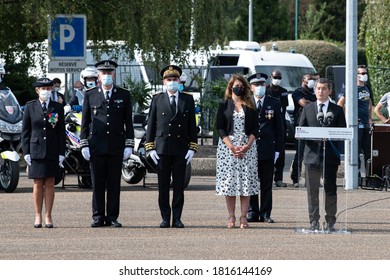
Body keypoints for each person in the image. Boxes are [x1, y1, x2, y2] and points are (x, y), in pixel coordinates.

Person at [80, 60, 134, 228]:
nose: (107, 76)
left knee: (113, 184)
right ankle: (98, 216)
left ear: (114, 75)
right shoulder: (91, 94)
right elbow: (85, 122)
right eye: (104, 73)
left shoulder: (124, 94)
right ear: (99, 75)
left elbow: (128, 123)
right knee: (97, 183)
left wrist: (129, 144)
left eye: (109, 73)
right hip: (96, 145)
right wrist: (84, 144)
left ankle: (112, 216)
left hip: (116, 145)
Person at [145, 65, 198, 228]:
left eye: (175, 79)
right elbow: (151, 125)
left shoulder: (187, 99)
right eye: (169, 80)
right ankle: (165, 218)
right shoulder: (157, 99)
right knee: (162, 186)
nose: (172, 82)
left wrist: (192, 147)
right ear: (164, 82)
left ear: (179, 81)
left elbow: (191, 125)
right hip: (162, 148)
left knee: (179, 186)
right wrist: (150, 147)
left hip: (181, 148)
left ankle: (177, 218)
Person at [299, 78, 346, 231]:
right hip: (312, 156)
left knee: (330, 189)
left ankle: (331, 220)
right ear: (315, 90)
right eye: (318, 88)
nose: (321, 91)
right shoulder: (308, 109)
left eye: (324, 88)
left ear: (330, 91)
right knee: (312, 191)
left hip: (330, 156)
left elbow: (342, 132)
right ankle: (313, 221)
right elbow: (301, 130)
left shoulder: (337, 110)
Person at [215, 74, 259, 229]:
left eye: (241, 85)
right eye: (236, 85)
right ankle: (232, 216)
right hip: (228, 149)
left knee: (245, 184)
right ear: (230, 87)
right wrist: (231, 147)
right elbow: (220, 127)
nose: (238, 88)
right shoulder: (223, 104)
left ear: (245, 88)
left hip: (247, 148)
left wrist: (247, 145)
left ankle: (243, 217)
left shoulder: (250, 105)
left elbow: (255, 127)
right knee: (230, 185)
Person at [21, 77, 66, 228]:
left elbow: (61, 132)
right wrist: (26, 151)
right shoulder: (30, 106)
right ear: (37, 90)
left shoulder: (57, 107)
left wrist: (61, 152)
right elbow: (25, 132)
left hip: (53, 150)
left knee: (50, 183)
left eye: (48, 89)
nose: (46, 91)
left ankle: (49, 215)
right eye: (43, 89)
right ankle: (38, 215)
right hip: (36, 149)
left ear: (51, 90)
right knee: (38, 183)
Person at [247, 73, 284, 223]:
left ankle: (266, 213)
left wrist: (278, 150)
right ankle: (252, 212)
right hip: (250, 148)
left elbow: (279, 129)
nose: (260, 87)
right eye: (256, 84)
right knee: (251, 182)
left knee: (267, 184)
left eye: (262, 84)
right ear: (251, 87)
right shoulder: (246, 103)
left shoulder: (273, 102)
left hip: (268, 148)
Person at [337, 65, 373, 173]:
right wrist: (348, 119)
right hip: (356, 126)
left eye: (365, 73)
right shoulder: (351, 88)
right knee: (355, 151)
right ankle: (355, 175)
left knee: (368, 151)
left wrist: (370, 118)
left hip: (366, 125)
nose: (364, 75)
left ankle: (369, 175)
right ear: (356, 75)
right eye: (362, 73)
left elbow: (370, 103)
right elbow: (340, 104)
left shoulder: (366, 88)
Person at [290, 73, 317, 187]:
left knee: (312, 152)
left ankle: (311, 178)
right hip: (300, 125)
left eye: (313, 80)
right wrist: (316, 104)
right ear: (303, 81)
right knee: (300, 153)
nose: (312, 82)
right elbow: (303, 103)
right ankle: (296, 178)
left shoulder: (313, 93)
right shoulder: (298, 92)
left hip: (312, 124)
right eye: (309, 79)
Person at [266, 69, 289, 188]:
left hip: (280, 125)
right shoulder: (265, 90)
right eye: (275, 77)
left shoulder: (284, 92)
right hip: (268, 126)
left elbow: (283, 109)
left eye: (279, 78)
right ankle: (264, 177)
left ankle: (278, 178)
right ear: (271, 77)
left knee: (280, 153)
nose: (277, 80)